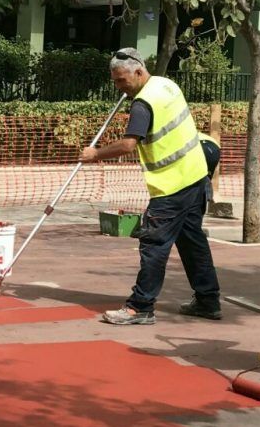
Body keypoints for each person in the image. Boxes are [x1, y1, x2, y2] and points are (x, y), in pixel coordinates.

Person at [80, 47, 222, 325]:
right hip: (195, 177)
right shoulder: (167, 85)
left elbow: (128, 144)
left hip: (171, 186)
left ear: (138, 71)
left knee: (154, 244)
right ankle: (208, 300)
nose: (119, 86)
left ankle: (141, 306)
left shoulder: (143, 104)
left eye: (122, 80)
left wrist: (95, 154)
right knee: (192, 242)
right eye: (115, 81)